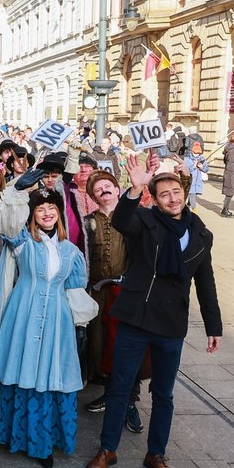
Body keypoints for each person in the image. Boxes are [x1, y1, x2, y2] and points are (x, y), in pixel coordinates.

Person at [86, 156, 222, 468]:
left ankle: (155, 454)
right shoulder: (145, 222)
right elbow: (121, 221)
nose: (172, 198)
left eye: (176, 192)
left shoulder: (201, 235)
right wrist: (134, 189)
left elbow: (205, 281)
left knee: (164, 394)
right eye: (164, 195)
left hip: (171, 325)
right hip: (135, 318)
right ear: (156, 201)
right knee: (120, 387)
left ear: (185, 194)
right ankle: (108, 448)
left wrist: (213, 326)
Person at [0, 174, 94, 468]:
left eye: (52, 209)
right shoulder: (22, 242)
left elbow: (74, 289)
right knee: (24, 370)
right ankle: (17, 437)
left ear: (58, 215)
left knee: (48, 376)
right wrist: (17, 191)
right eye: (40, 209)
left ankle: (43, 444)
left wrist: (80, 325)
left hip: (57, 320)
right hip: (23, 315)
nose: (46, 213)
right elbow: (4, 224)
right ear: (33, 215)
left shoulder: (71, 251)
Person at [82, 169, 146, 433]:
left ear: (118, 189)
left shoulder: (136, 215)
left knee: (128, 347)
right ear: (94, 197)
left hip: (128, 292)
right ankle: (110, 393)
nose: (104, 190)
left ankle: (130, 401)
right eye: (98, 189)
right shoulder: (88, 222)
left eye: (108, 185)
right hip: (98, 292)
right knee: (102, 344)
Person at [184, 142, 207, 210]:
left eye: (198, 153)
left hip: (198, 181)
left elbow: (206, 169)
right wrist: (194, 166)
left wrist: (202, 167)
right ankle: (194, 209)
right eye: (195, 153)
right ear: (192, 152)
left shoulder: (202, 159)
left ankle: (187, 206)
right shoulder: (187, 159)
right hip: (190, 181)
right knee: (192, 195)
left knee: (192, 195)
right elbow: (187, 169)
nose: (196, 155)